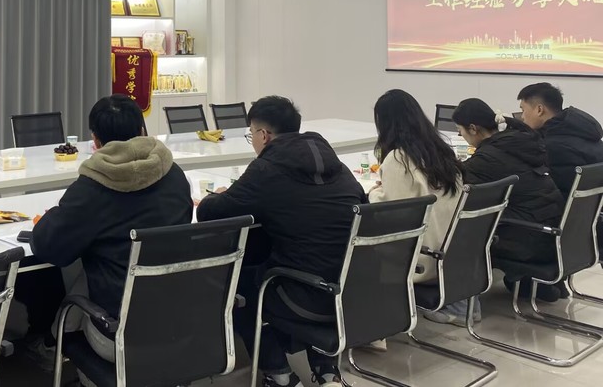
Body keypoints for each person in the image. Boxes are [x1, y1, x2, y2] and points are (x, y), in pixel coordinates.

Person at [197, 96, 365, 387]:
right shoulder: (337, 166)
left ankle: (279, 374)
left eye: (251, 134)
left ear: (263, 135)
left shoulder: (266, 169)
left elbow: (209, 213)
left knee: (240, 283)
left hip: (305, 297)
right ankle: (327, 372)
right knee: (314, 257)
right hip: (351, 292)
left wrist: (219, 195)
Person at [30, 94, 193, 366]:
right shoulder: (174, 175)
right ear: (142, 130)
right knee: (96, 267)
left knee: (84, 268)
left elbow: (49, 247)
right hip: (183, 320)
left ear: (95, 141)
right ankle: (53, 341)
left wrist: (56, 215)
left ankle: (57, 347)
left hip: (119, 335)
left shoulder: (93, 188)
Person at [368, 90, 468, 324]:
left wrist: (374, 194)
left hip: (421, 260)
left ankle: (375, 320)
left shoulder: (398, 159)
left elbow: (394, 215)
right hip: (451, 255)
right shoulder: (441, 152)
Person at [453, 98, 565, 302]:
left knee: (460, 227)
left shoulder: (487, 158)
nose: (462, 136)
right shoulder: (518, 142)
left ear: (473, 128)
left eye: (460, 130)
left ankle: (458, 301)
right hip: (554, 233)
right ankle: (529, 283)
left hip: (531, 240)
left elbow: (457, 186)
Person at [517, 82, 603, 197]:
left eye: (523, 110)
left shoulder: (552, 147)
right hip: (592, 206)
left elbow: (555, 192)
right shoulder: (580, 130)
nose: (522, 117)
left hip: (565, 206)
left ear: (539, 110)